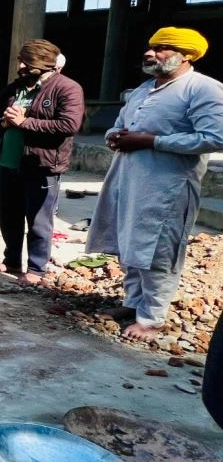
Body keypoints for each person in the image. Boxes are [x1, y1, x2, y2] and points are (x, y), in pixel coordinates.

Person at [88, 27, 223, 341]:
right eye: (151, 47)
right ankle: (133, 303)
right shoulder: (144, 89)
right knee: (129, 244)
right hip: (128, 179)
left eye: (162, 48)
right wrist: (114, 136)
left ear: (186, 55)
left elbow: (214, 137)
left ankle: (152, 318)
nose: (150, 53)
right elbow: (120, 124)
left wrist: (152, 141)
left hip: (168, 186)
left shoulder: (203, 89)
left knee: (158, 252)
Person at [0, 39, 84, 286]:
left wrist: (25, 122)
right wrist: (4, 122)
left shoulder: (67, 88)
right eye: (21, 61)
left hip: (42, 165)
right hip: (8, 162)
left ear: (44, 64)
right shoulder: (16, 88)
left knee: (38, 220)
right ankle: (11, 261)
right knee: (9, 215)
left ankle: (36, 269)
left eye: (26, 62)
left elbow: (69, 125)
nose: (20, 67)